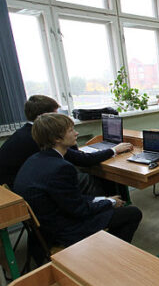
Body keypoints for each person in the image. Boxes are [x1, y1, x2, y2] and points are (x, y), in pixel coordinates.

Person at [14, 113, 142, 247]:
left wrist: (104, 200)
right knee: (132, 213)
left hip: (45, 229)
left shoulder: (34, 159)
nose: (76, 133)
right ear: (57, 138)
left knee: (106, 203)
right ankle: (110, 254)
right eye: (71, 130)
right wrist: (109, 202)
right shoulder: (61, 168)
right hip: (64, 231)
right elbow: (80, 210)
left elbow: (71, 199)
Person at [0, 95, 132, 191]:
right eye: (56, 113)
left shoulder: (27, 131)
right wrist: (114, 150)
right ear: (46, 116)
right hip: (23, 188)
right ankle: (106, 208)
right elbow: (81, 160)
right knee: (91, 177)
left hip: (23, 182)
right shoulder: (39, 136)